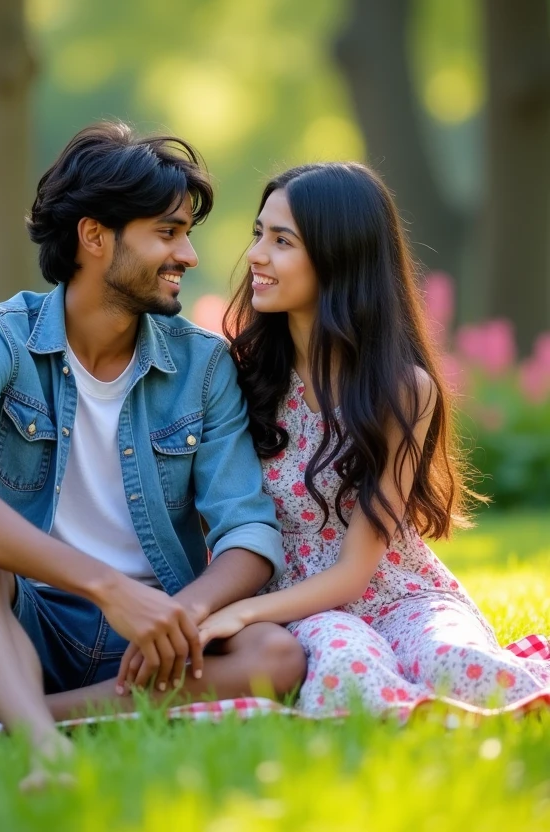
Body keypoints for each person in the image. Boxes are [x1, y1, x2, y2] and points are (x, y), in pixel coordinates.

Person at [0, 122, 305, 786]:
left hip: (153, 635)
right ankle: (44, 748)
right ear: (94, 237)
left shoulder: (201, 365)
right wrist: (106, 587)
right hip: (20, 620)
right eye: (167, 233)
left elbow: (250, 532)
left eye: (187, 234)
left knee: (277, 655)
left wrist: (184, 612)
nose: (190, 255)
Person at [198, 162, 550, 717]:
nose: (257, 255)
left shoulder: (402, 390)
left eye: (282, 240)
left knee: (461, 664)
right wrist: (245, 609)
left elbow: (355, 571)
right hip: (298, 606)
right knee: (349, 670)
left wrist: (239, 615)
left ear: (340, 256)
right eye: (258, 234)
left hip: (396, 592)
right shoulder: (238, 377)